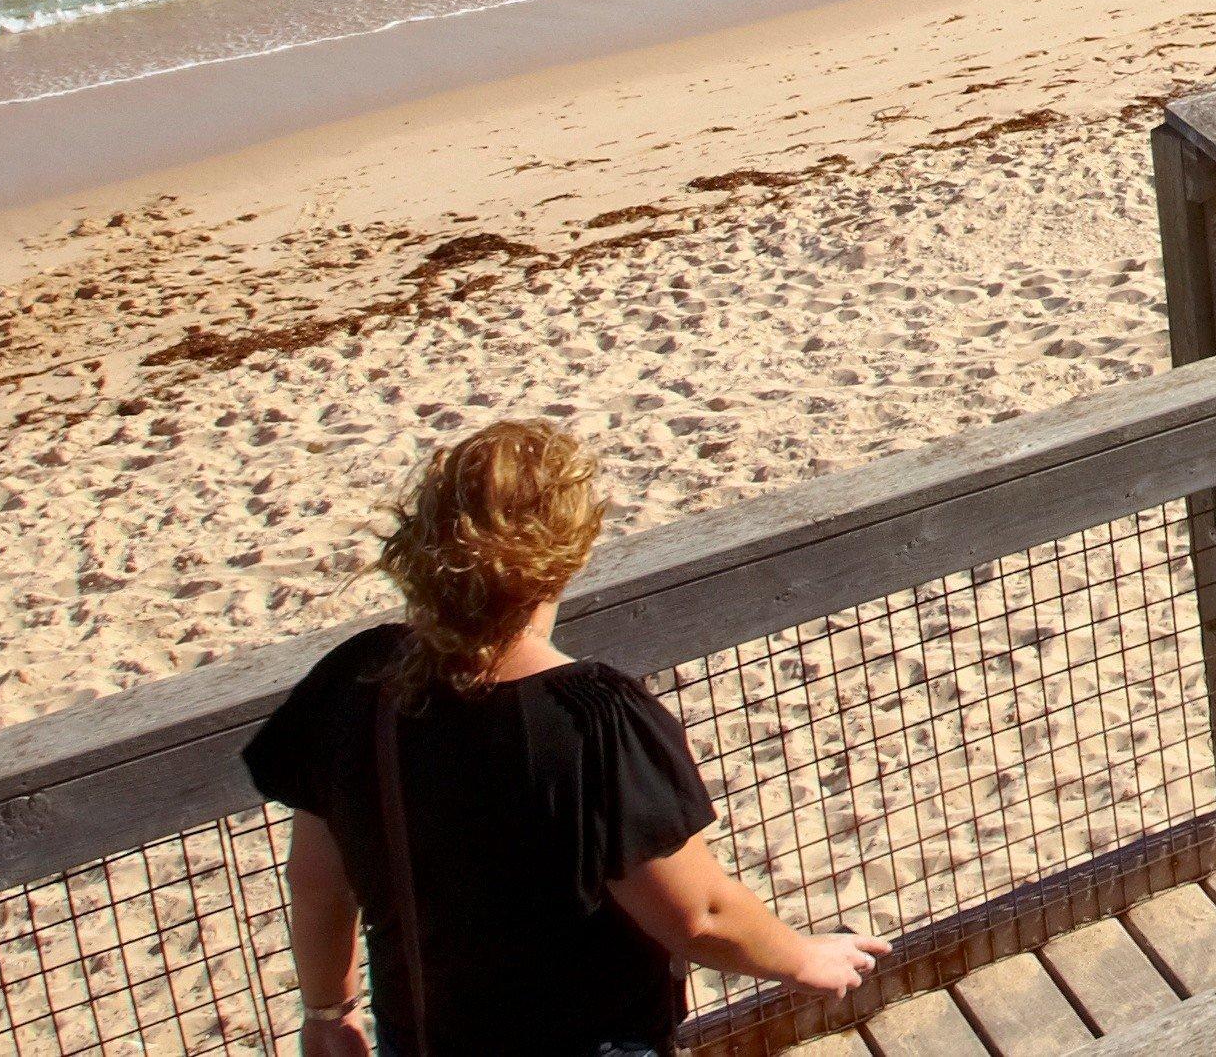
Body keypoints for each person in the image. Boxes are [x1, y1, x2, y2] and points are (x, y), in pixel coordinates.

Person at [251, 422, 877, 1057]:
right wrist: (801, 956)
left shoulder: (358, 681)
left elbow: (318, 879)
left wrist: (328, 1011)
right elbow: (698, 915)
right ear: (570, 550)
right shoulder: (594, 718)